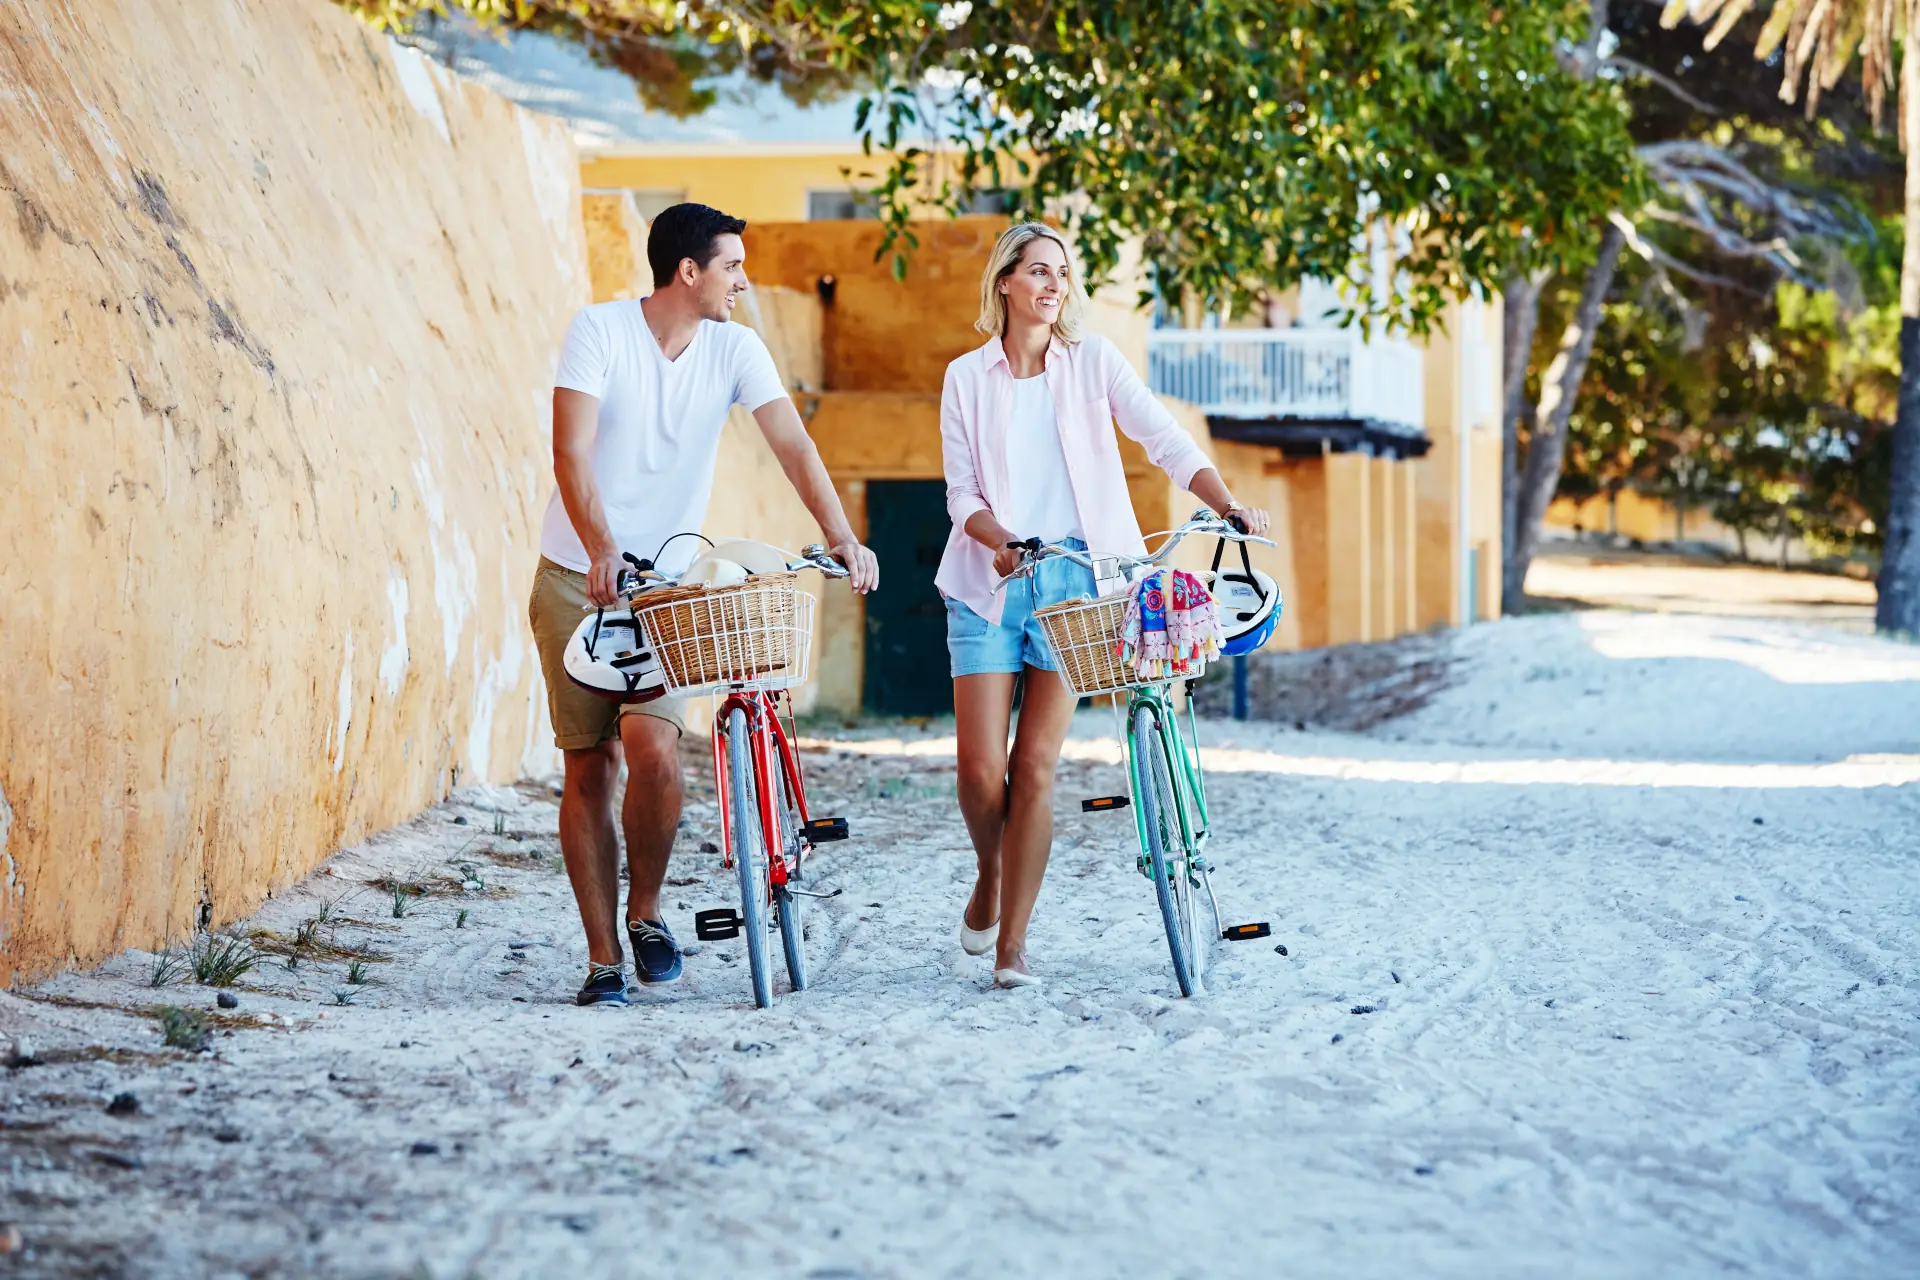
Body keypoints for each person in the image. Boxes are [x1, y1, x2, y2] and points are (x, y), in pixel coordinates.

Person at [529, 202, 878, 1006]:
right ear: (688, 271)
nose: (743, 281)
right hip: (577, 576)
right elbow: (569, 451)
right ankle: (602, 958)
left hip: (674, 591)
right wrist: (602, 548)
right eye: (732, 266)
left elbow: (793, 444)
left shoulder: (735, 347)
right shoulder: (600, 331)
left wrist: (842, 536)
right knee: (590, 766)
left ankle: (646, 911)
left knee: (654, 748)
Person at [936, 222, 1270, 988]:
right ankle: (992, 872)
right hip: (990, 580)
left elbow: (1165, 440)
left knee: (1035, 767)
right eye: (1039, 271)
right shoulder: (966, 377)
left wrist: (1225, 502)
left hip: (1079, 584)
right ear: (1005, 282)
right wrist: (1000, 540)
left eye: (1062, 272)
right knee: (981, 772)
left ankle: (1012, 946)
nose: (1054, 284)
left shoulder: (1093, 363)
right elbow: (961, 493)